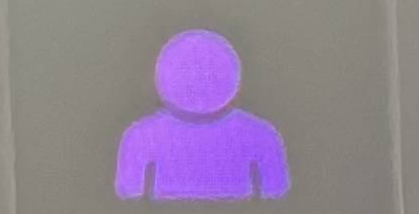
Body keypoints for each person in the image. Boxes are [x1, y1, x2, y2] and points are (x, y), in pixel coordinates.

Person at [113, 26, 292, 204]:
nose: (198, 79)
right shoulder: (260, 134)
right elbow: (277, 190)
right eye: (188, 71)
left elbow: (128, 192)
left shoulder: (141, 135)